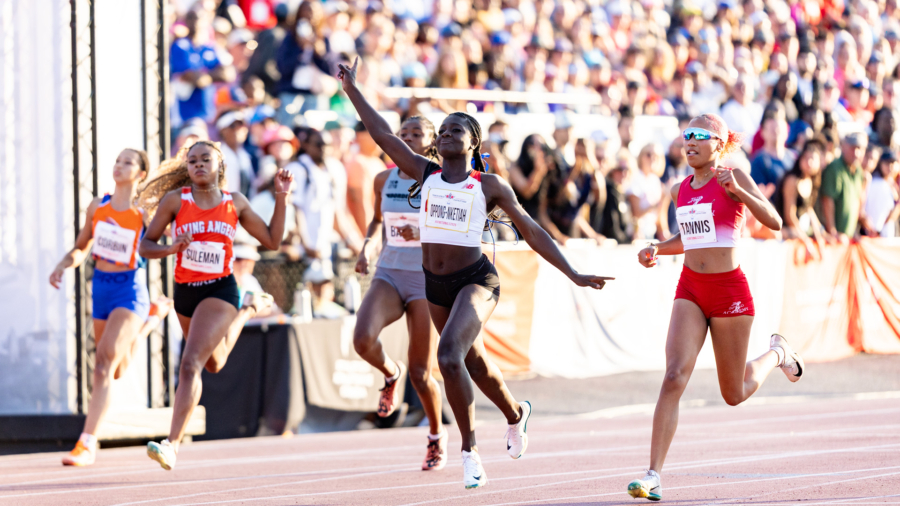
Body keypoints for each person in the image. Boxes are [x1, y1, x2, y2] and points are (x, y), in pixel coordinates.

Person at [338, 57, 613, 489]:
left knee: (447, 356)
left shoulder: (488, 186)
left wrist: (573, 272)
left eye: (455, 131)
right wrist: (353, 90)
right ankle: (516, 414)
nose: (446, 134)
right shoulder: (423, 173)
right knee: (475, 362)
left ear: (472, 143)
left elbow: (533, 231)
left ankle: (468, 450)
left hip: (477, 281)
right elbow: (383, 135)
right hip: (436, 285)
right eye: (442, 130)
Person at [628, 114, 805, 501]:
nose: (689, 141)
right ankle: (653, 474)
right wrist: (658, 247)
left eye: (699, 136)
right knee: (674, 375)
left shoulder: (735, 176)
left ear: (719, 144)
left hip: (729, 293)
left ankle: (778, 352)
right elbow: (689, 239)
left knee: (734, 392)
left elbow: (774, 221)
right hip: (691, 288)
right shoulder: (679, 189)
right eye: (686, 135)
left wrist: (741, 194)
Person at [138, 141, 288, 470]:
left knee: (190, 363)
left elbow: (273, 241)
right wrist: (171, 248)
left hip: (220, 290)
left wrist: (281, 197)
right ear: (187, 168)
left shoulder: (236, 203)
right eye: (192, 161)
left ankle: (171, 444)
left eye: (206, 159)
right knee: (214, 363)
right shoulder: (176, 201)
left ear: (220, 165)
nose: (199, 165)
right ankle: (249, 309)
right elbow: (146, 245)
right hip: (186, 291)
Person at [49, 149, 173, 466]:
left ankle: (87, 443)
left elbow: (162, 239)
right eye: (117, 161)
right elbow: (81, 247)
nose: (119, 166)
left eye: (128, 162)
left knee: (103, 364)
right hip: (101, 287)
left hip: (130, 291)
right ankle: (148, 324)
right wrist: (64, 265)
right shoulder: (98, 206)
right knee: (116, 369)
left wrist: (174, 239)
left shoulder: (144, 211)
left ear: (141, 174)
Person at [353, 115, 448, 472]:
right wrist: (367, 248)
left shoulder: (440, 180)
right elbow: (378, 221)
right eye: (402, 133)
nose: (408, 138)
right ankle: (391, 373)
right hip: (390, 272)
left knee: (422, 372)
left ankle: (437, 437)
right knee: (362, 339)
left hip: (425, 280)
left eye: (416, 133)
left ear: (431, 141)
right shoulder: (383, 179)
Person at [819, 132, 871, 241]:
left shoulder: (859, 171)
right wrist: (832, 232)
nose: (856, 153)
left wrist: (854, 232)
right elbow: (827, 201)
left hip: (847, 236)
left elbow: (857, 203)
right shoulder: (834, 168)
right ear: (843, 147)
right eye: (853, 148)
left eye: (860, 149)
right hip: (833, 238)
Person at [774, 140, 827, 243]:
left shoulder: (811, 181)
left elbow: (809, 209)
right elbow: (790, 216)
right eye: (806, 158)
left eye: (812, 159)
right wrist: (805, 240)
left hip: (801, 231)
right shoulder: (792, 181)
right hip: (787, 231)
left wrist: (821, 234)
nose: (809, 163)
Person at [346, 122, 388, 236]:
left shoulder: (377, 162)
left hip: (381, 232)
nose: (381, 138)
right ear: (360, 136)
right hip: (369, 234)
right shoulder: (357, 163)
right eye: (376, 134)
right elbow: (360, 204)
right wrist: (368, 239)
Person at [864, 150, 900, 237]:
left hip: (887, 233)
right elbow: (875, 212)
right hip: (877, 234)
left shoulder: (891, 183)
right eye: (887, 163)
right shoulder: (877, 183)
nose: (890, 167)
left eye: (893, 163)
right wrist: (877, 230)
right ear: (880, 164)